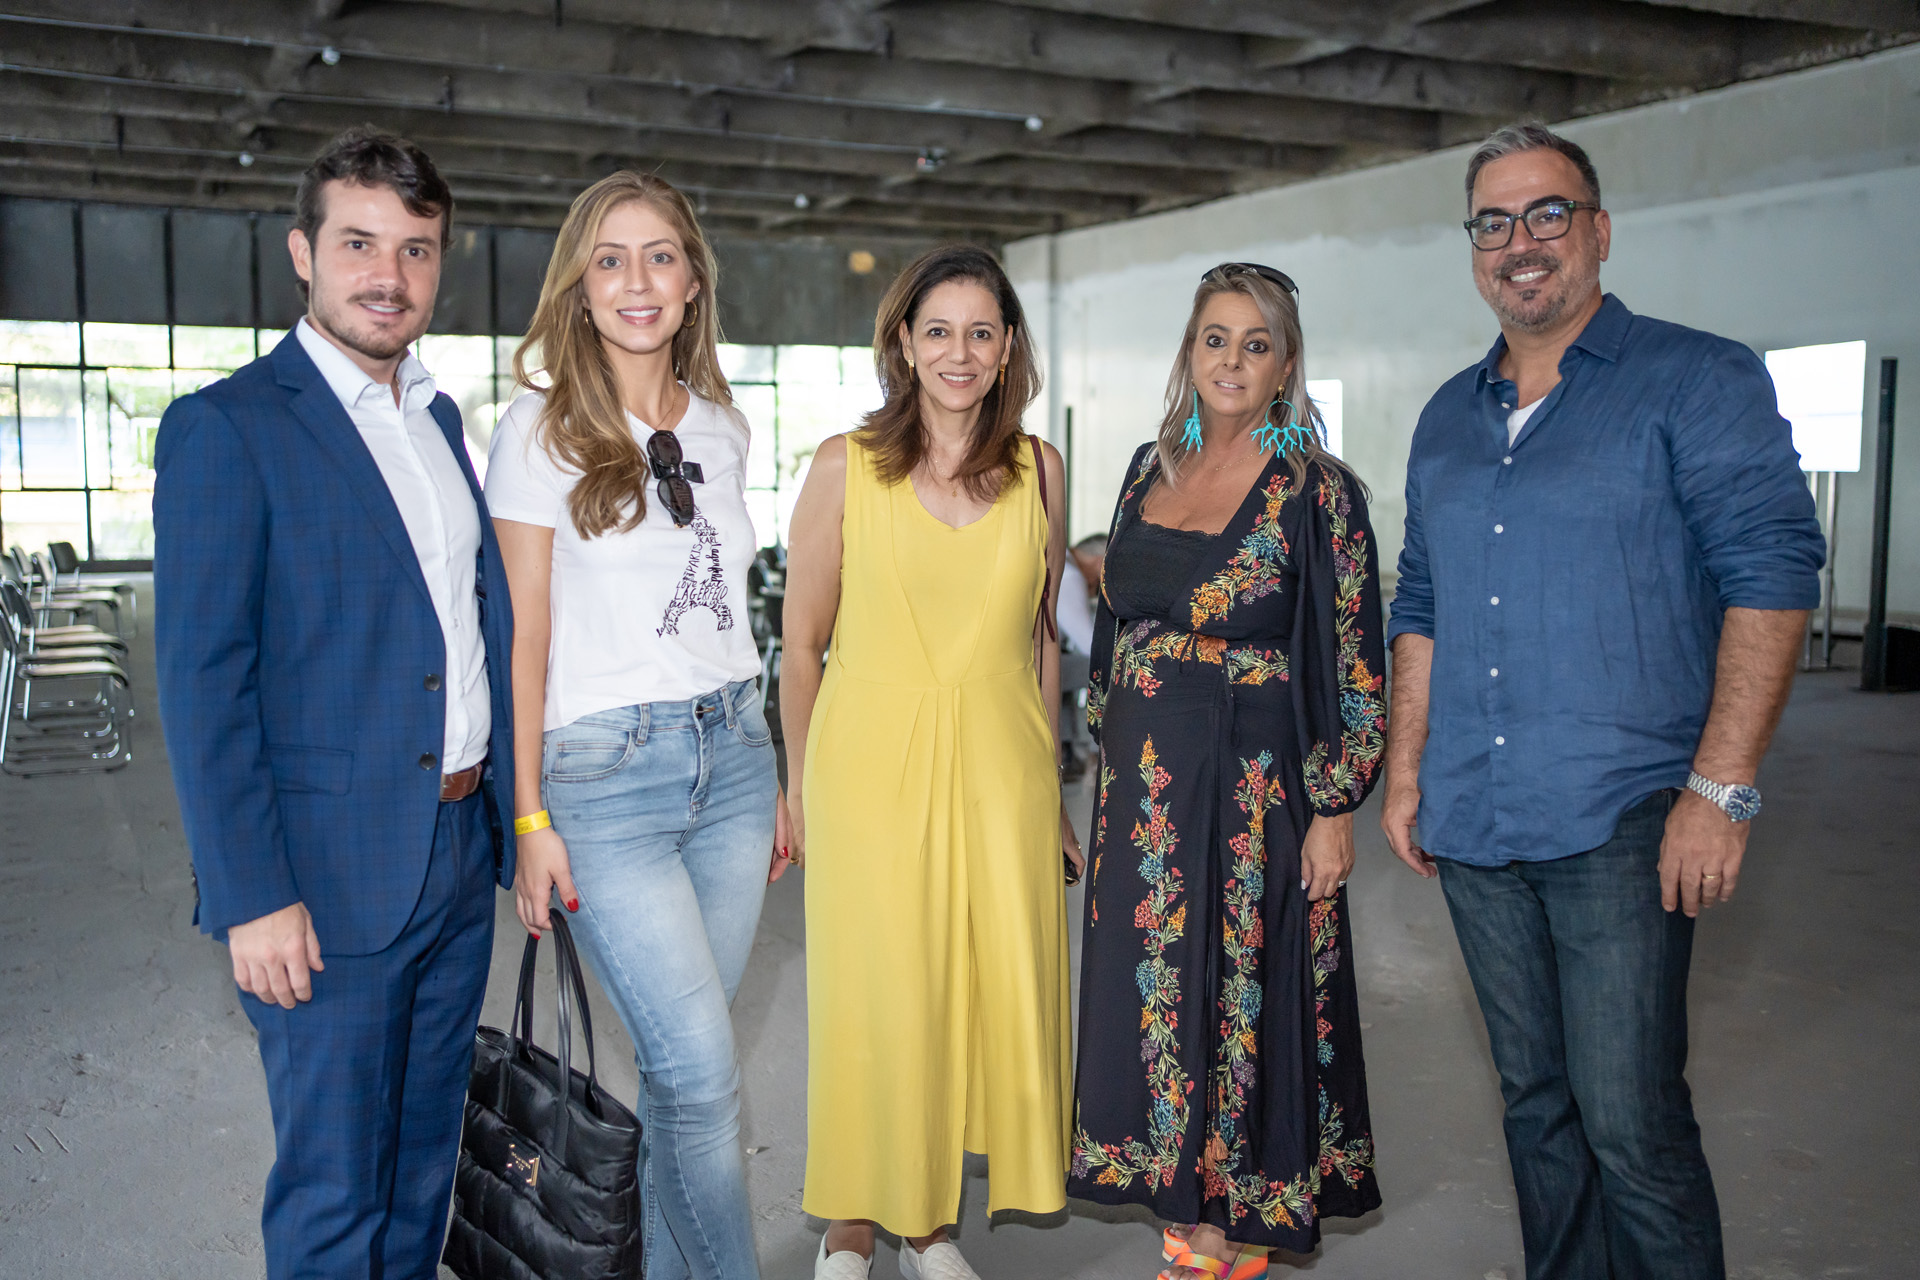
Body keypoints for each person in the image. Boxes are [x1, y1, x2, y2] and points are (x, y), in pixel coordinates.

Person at [1380, 123, 1825, 1280]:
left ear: (1599, 230)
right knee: (1536, 1105)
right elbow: (1418, 599)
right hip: (1475, 815)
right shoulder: (1447, 414)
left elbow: (1771, 576)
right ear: (1472, 246)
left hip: (1624, 809)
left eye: (1547, 214)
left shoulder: (1697, 377)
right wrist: (1409, 768)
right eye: (1493, 221)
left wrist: (1719, 788)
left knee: (1629, 1116)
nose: (1520, 243)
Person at [153, 128, 516, 1278]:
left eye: (416, 249)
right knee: (332, 1185)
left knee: (420, 1167)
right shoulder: (229, 427)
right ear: (303, 254)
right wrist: (252, 893)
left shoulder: (440, 422)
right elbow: (204, 681)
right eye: (359, 243)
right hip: (323, 875)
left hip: (459, 849)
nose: (388, 275)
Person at [483, 171, 788, 1280]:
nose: (637, 280)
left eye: (660, 255)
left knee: (676, 1076)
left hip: (737, 761)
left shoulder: (724, 426)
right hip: (604, 780)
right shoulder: (536, 431)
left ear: (694, 280)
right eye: (609, 259)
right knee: (705, 1074)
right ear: (579, 286)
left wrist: (778, 775)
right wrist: (527, 815)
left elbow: (731, 614)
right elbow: (521, 636)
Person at [1068, 263, 1385, 1279]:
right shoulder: (1143, 466)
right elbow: (1114, 629)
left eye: (1256, 342)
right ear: (1188, 352)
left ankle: (1221, 1228)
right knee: (1161, 993)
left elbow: (1353, 657)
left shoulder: (1319, 491)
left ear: (1287, 361)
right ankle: (1183, 1200)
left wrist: (1334, 805)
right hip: (1145, 792)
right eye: (1216, 338)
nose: (1233, 360)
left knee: (1241, 991)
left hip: (1256, 791)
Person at [782, 245, 1077, 1280]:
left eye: (981, 331)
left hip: (1005, 768)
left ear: (1006, 352)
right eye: (938, 329)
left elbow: (1044, 640)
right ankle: (853, 1220)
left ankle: (927, 1219)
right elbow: (802, 646)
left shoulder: (1040, 468)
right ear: (903, 342)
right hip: (870, 764)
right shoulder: (844, 465)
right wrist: (796, 787)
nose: (960, 350)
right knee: (878, 993)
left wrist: (1051, 795)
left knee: (973, 992)